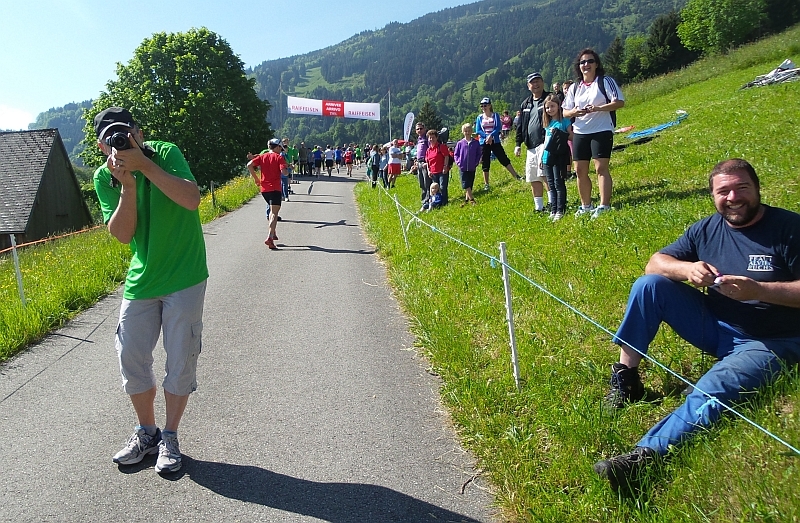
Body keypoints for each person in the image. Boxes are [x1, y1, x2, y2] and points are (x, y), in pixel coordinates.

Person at [594, 159, 800, 492]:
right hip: (717, 327)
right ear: (713, 196)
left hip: (773, 340)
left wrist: (759, 291)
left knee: (717, 383)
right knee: (649, 286)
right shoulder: (706, 229)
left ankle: (644, 458)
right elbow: (655, 264)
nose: (733, 197)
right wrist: (688, 270)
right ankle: (627, 380)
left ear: (757, 188)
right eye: (723, 191)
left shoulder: (789, 229)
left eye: (741, 188)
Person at [93, 107, 208, 474]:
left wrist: (144, 166)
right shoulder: (105, 177)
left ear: (139, 133)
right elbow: (122, 234)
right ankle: (147, 432)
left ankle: (170, 436)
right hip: (142, 279)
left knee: (181, 358)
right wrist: (127, 185)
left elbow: (191, 199)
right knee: (130, 354)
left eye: (126, 133)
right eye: (112, 139)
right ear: (102, 147)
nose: (121, 142)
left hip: (185, 275)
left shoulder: (166, 153)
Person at [563, 48, 624, 219]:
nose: (586, 65)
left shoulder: (605, 81)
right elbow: (565, 112)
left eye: (590, 61)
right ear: (579, 66)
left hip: (601, 129)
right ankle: (586, 206)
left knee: (600, 168)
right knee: (580, 170)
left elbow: (619, 102)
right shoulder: (575, 87)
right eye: (582, 62)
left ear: (596, 64)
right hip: (580, 132)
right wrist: (575, 112)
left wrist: (598, 108)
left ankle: (604, 205)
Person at [514, 72, 551, 212]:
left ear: (542, 82)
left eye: (538, 81)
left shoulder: (549, 98)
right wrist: (518, 144)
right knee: (533, 176)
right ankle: (539, 207)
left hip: (545, 142)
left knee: (545, 174)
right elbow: (520, 125)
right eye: (532, 82)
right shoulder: (526, 103)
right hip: (530, 146)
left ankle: (552, 203)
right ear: (528, 86)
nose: (535, 84)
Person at [248, 138, 288, 250]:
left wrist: (256, 179)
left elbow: (249, 165)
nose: (281, 150)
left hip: (264, 189)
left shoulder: (262, 156)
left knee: (271, 211)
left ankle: (273, 232)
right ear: (277, 147)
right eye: (280, 148)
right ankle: (270, 237)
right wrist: (287, 169)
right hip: (275, 188)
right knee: (274, 213)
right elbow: (284, 172)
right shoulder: (279, 157)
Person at [476, 97, 521, 192]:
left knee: (503, 158)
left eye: (485, 105)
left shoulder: (495, 115)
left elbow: (498, 127)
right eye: (482, 106)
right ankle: (486, 184)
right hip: (484, 142)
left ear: (489, 106)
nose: (483, 107)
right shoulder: (479, 117)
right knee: (485, 162)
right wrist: (486, 136)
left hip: (495, 141)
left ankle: (516, 175)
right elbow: (478, 130)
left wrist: (491, 136)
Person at [540, 95, 572, 221]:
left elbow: (571, 136)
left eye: (552, 106)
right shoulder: (547, 123)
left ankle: (560, 209)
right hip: (547, 156)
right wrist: (541, 157)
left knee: (559, 183)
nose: (550, 110)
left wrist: (560, 134)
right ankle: (553, 210)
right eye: (547, 108)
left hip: (558, 156)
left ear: (558, 106)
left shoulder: (564, 121)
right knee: (551, 184)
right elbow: (545, 141)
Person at [453, 122, 482, 206]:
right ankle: (472, 200)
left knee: (470, 183)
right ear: (463, 132)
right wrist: (458, 162)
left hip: (472, 167)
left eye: (469, 131)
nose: (467, 132)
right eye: (465, 131)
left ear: (471, 131)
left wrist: (476, 162)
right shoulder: (460, 143)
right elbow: (456, 154)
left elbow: (479, 153)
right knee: (465, 183)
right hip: (463, 167)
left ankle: (466, 200)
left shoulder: (475, 143)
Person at [424, 130, 451, 206]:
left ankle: (444, 202)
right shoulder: (428, 150)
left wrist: (445, 166)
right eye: (430, 138)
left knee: (442, 187)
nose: (431, 139)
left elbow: (446, 156)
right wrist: (428, 171)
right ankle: (437, 203)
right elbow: (428, 162)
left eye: (433, 137)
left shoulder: (441, 147)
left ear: (436, 138)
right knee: (435, 188)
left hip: (442, 171)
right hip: (433, 172)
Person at [413, 122, 430, 206]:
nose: (419, 130)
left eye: (421, 128)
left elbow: (430, 149)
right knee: (421, 182)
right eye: (417, 129)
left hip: (425, 162)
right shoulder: (419, 139)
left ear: (424, 129)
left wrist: (427, 162)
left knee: (427, 182)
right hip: (419, 162)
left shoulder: (427, 138)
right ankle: (424, 200)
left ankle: (428, 199)